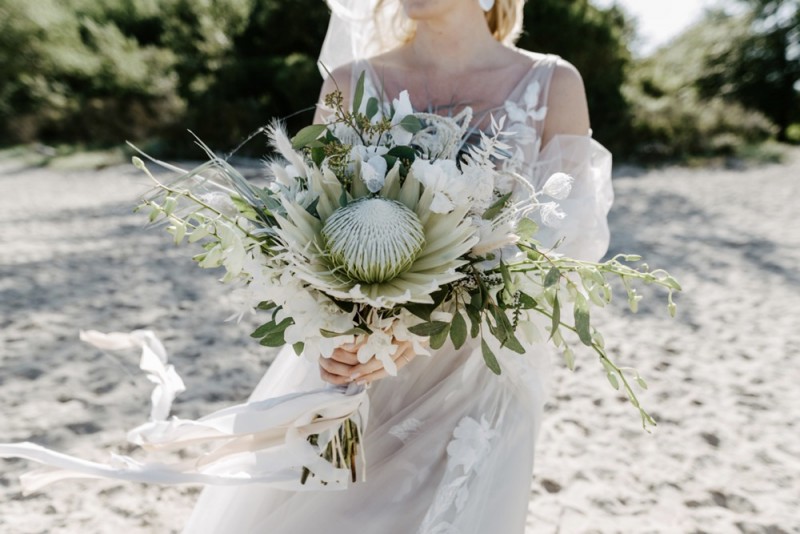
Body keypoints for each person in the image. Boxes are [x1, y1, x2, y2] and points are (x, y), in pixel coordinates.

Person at [183, 0, 612, 532]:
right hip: (358, 370)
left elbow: (567, 244)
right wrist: (330, 332)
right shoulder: (349, 83)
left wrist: (420, 331)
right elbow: (311, 224)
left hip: (476, 379)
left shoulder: (552, 84)